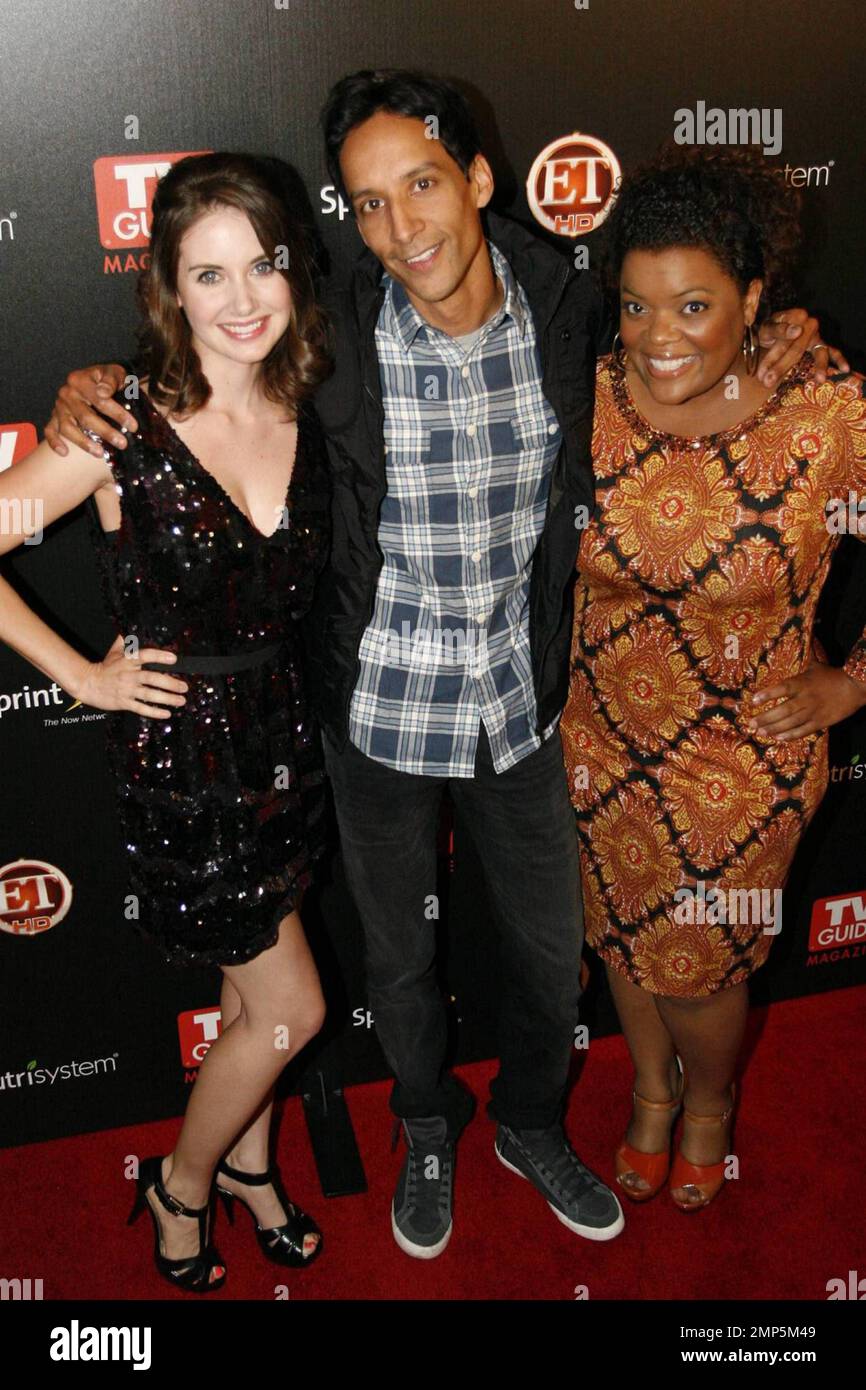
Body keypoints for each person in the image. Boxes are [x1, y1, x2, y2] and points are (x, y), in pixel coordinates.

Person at [44, 71, 839, 1259]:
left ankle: (526, 1121)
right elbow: (204, 361)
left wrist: (776, 343)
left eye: (421, 184)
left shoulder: (576, 310)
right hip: (372, 715)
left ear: (474, 178)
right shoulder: (330, 328)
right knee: (400, 961)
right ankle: (426, 1125)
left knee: (539, 952)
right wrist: (91, 393)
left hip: (521, 706)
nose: (401, 226)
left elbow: (685, 368)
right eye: (366, 203)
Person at [1, 152, 333, 1290]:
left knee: (250, 997)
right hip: (184, 761)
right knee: (292, 1008)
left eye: (260, 266)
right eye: (207, 275)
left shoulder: (306, 394)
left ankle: (248, 1166)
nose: (240, 300)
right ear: (168, 290)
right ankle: (181, 1183)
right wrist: (81, 675)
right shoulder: (118, 425)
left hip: (286, 742)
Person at [559, 142, 866, 1211]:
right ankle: (648, 1091)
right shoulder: (589, 395)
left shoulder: (826, 417)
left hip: (742, 757)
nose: (656, 337)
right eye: (635, 307)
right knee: (621, 944)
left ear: (750, 296)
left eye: (691, 305)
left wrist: (852, 682)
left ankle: (706, 1106)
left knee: (705, 965)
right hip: (597, 735)